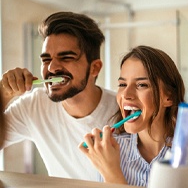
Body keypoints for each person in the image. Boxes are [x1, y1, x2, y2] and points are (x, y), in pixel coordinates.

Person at [0, 12, 119, 181]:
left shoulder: (123, 111)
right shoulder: (34, 105)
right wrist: (3, 94)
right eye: (46, 59)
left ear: (95, 68)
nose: (52, 68)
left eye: (66, 57)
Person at [79, 45, 185, 187]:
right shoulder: (109, 152)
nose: (126, 95)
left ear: (169, 97)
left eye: (141, 85)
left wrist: (112, 173)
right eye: (122, 84)